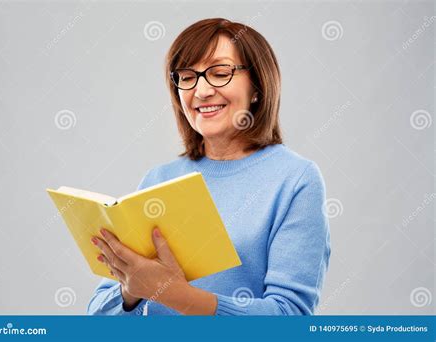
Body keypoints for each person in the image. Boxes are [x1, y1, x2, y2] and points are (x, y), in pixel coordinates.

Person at [87, 18, 331, 316]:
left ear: (257, 86)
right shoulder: (159, 178)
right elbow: (97, 317)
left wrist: (174, 293)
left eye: (219, 73)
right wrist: (130, 289)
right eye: (187, 77)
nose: (201, 91)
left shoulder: (295, 180)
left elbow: (289, 317)